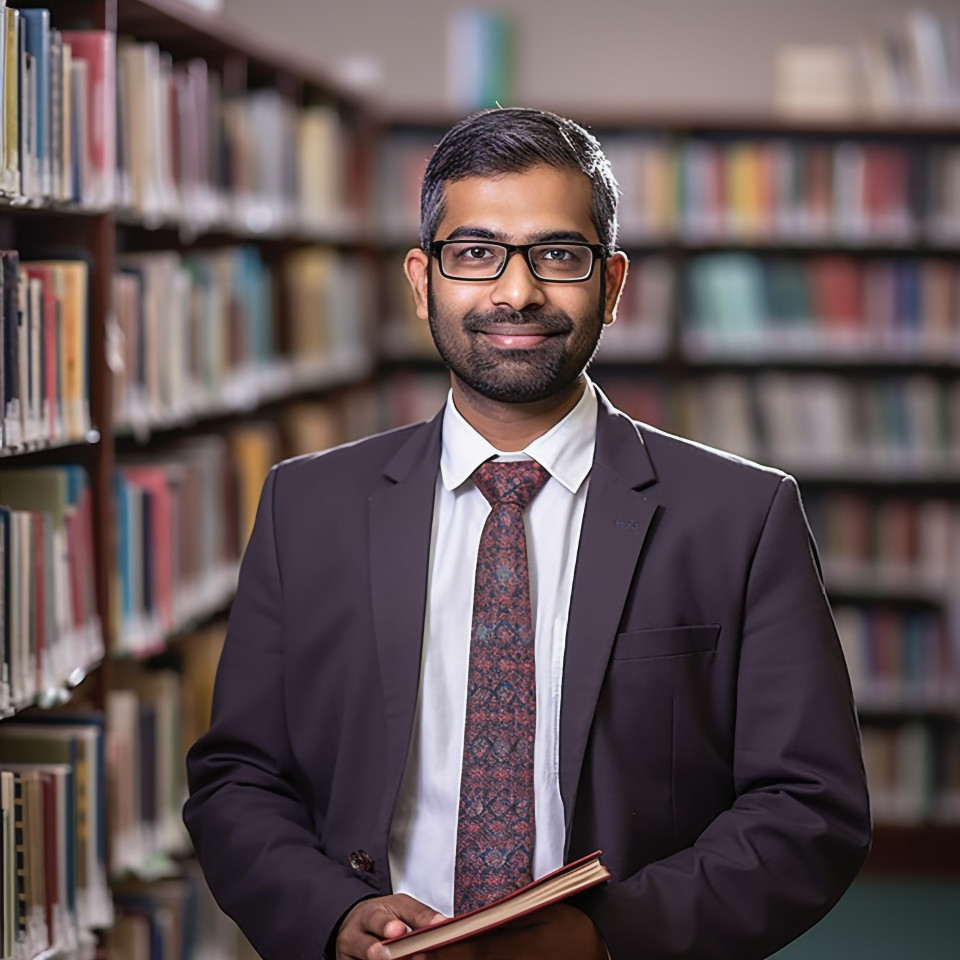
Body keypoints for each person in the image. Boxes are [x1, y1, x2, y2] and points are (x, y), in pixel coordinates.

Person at [183, 107, 871, 960]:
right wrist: (328, 916)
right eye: (475, 254)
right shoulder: (305, 506)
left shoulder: (740, 516)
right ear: (421, 280)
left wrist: (605, 938)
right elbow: (237, 777)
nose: (516, 291)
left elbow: (809, 806)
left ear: (612, 285)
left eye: (558, 254)